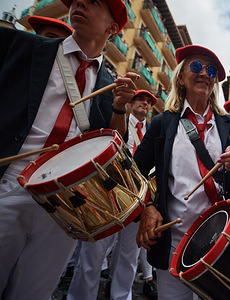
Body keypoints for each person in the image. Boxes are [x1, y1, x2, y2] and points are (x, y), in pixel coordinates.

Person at [0, 0, 138, 297]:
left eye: (95, 1)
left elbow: (114, 142)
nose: (81, 2)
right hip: (10, 183)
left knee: (33, 293)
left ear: (112, 28)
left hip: (65, 202)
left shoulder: (108, 84)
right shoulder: (24, 47)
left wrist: (119, 108)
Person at [133, 45, 230, 300]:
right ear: (180, 76)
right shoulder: (163, 123)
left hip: (221, 238)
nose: (204, 74)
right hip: (174, 240)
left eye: (211, 70)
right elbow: (134, 172)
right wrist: (147, 207)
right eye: (196, 67)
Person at [67, 90, 157, 300]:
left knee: (129, 256)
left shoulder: (152, 130)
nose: (145, 103)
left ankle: (121, 297)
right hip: (110, 196)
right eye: (141, 99)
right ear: (131, 103)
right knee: (93, 255)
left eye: (148, 102)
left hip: (138, 199)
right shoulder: (118, 121)